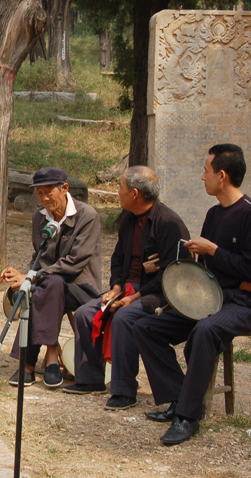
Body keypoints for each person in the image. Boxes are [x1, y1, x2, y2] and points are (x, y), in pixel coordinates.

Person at [135, 144, 251, 445]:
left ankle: (189, 418)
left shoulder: (249, 214)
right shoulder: (213, 214)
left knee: (205, 330)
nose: (202, 177)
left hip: (242, 302)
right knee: (146, 327)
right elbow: (208, 268)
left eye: (206, 170)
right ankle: (177, 398)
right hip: (210, 299)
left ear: (222, 175)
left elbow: (247, 268)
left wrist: (213, 250)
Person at [62, 167, 190, 412]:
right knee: (86, 313)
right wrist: (117, 287)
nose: (117, 193)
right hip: (128, 288)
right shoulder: (129, 219)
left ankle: (123, 390)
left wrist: (136, 297)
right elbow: (119, 259)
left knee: (123, 317)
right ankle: (90, 380)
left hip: (157, 294)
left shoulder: (169, 223)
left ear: (134, 193)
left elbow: (172, 274)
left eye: (120, 188)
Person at [2, 167, 102, 388]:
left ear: (65, 188)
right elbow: (39, 255)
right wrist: (25, 275)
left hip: (81, 286)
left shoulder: (88, 216)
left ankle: (28, 364)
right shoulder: (39, 216)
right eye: (40, 193)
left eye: (49, 192)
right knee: (48, 287)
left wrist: (32, 276)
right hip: (50, 284)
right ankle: (51, 358)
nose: (45, 198)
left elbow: (75, 263)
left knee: (45, 288)